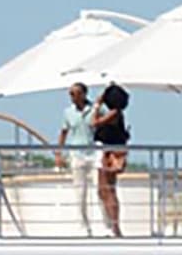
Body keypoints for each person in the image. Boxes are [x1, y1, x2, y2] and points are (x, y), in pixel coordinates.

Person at [55, 82, 96, 235]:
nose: (72, 97)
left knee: (101, 189)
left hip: (94, 153)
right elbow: (64, 132)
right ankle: (84, 227)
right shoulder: (68, 112)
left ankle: (106, 225)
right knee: (80, 192)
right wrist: (58, 153)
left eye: (75, 93)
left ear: (84, 94)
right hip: (76, 154)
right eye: (71, 94)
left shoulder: (95, 109)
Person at [91, 83, 130, 237]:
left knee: (108, 189)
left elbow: (94, 123)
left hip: (110, 152)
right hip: (108, 151)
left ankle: (115, 226)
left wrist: (96, 105)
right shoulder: (116, 113)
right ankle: (111, 224)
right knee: (104, 190)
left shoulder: (115, 113)